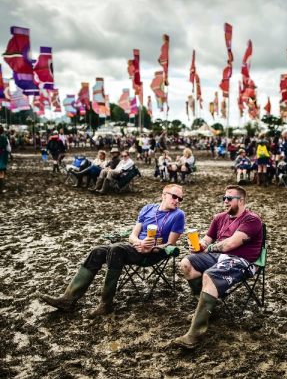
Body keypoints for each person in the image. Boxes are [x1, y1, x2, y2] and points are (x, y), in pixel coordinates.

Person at [40, 184, 186, 317]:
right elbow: (132, 235)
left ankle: (106, 304)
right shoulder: (148, 208)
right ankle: (68, 299)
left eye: (180, 199)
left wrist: (151, 248)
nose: (177, 201)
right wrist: (139, 243)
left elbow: (169, 244)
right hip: (135, 247)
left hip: (154, 253)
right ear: (163, 195)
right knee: (97, 251)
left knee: (116, 249)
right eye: (174, 196)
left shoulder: (178, 215)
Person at [173, 185, 262, 348]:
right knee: (186, 264)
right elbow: (207, 240)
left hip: (242, 260)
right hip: (217, 256)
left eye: (229, 199)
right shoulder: (219, 218)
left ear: (241, 201)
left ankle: (194, 334)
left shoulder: (252, 219)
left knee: (210, 275)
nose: (225, 201)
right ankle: (207, 308)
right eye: (224, 198)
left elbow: (230, 244)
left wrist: (209, 248)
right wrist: (198, 245)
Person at [0, 125, 12, 194]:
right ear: (2, 131)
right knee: (1, 173)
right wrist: (10, 155)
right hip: (2, 157)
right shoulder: (5, 138)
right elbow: (8, 149)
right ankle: (1, 189)